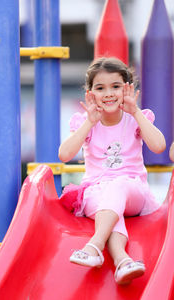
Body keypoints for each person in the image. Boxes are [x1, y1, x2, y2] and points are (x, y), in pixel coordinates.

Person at [58, 57, 166, 285]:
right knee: (109, 205)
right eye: (100, 88)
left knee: (117, 187)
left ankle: (94, 245)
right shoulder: (86, 122)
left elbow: (159, 146)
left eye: (115, 87)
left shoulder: (134, 119)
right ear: (90, 94)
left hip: (132, 192)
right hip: (95, 194)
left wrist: (135, 112)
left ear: (127, 89)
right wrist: (89, 122)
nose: (108, 93)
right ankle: (123, 261)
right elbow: (64, 154)